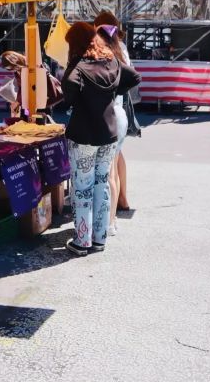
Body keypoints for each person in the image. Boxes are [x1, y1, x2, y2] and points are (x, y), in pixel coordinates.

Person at [61, 22, 141, 256]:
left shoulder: (78, 66)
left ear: (75, 43)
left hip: (83, 135)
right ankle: (99, 239)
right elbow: (135, 77)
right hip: (109, 134)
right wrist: (113, 91)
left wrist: (78, 99)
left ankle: (81, 240)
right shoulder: (112, 62)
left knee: (83, 188)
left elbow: (68, 87)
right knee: (101, 185)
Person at [94, 11, 135, 219]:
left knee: (108, 170)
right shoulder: (122, 49)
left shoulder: (104, 50)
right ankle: (122, 202)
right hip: (121, 112)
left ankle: (109, 221)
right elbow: (133, 77)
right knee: (116, 160)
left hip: (108, 114)